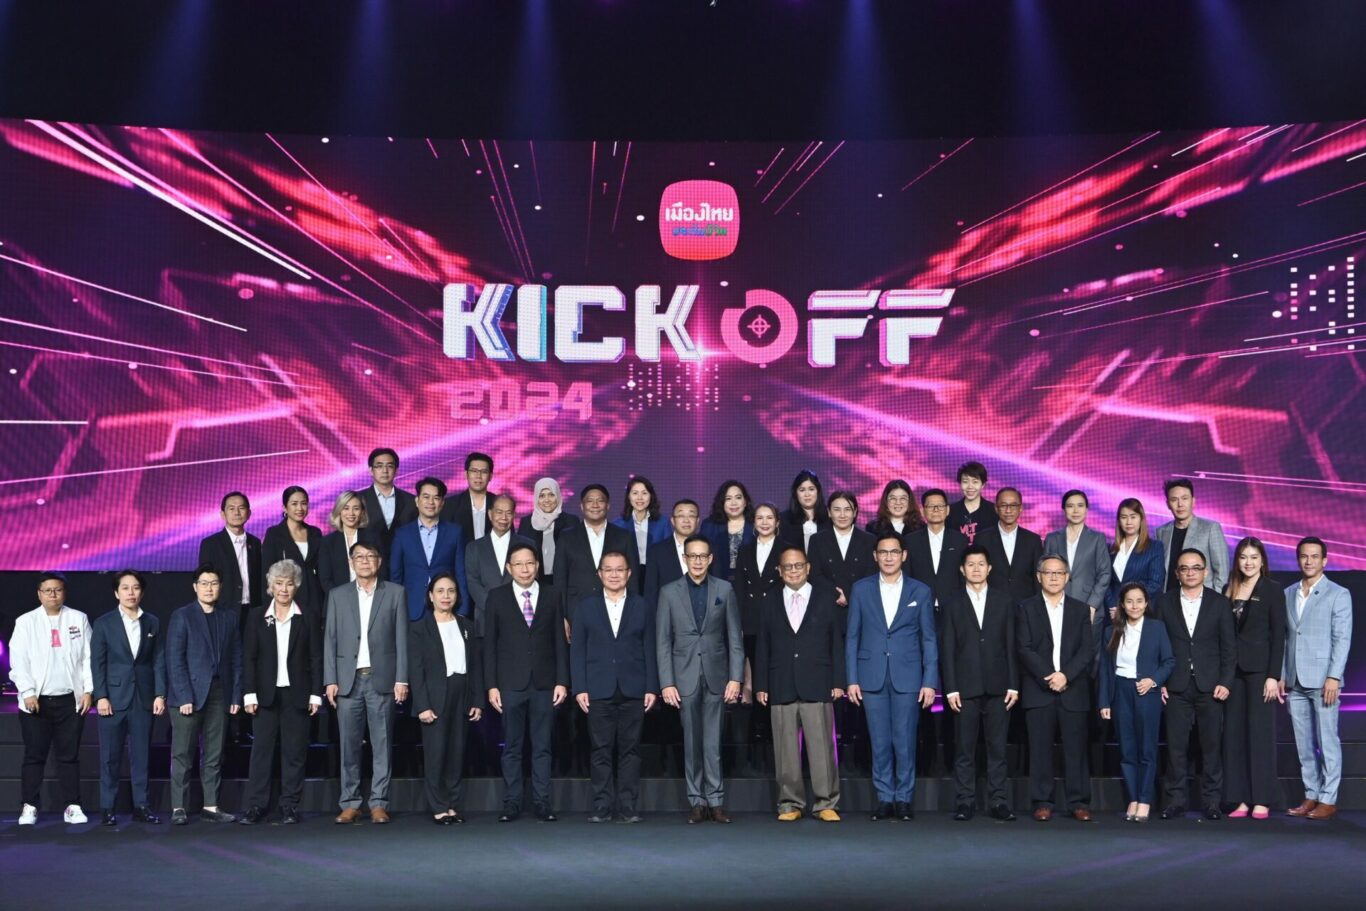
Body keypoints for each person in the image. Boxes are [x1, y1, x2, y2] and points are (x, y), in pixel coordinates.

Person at [845, 534, 938, 821]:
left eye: (894, 552)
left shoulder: (920, 591)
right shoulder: (861, 589)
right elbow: (852, 636)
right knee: (880, 741)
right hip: (870, 675)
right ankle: (885, 798)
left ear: (903, 555)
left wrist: (929, 681)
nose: (888, 557)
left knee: (905, 740)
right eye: (883, 552)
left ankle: (904, 799)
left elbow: (929, 639)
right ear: (875, 556)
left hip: (908, 676)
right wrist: (852, 678)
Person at [656, 534, 744, 823]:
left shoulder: (724, 589)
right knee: (692, 743)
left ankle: (715, 801)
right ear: (685, 558)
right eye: (692, 556)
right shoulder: (669, 592)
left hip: (717, 676)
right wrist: (667, 682)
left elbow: (735, 637)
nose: (697, 561)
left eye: (702, 556)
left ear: (710, 559)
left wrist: (736, 678)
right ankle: (696, 801)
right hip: (684, 678)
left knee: (713, 742)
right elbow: (663, 641)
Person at [754, 546, 845, 822]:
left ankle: (826, 802)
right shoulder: (769, 600)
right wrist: (761, 684)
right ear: (779, 571)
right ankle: (789, 803)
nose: (793, 571)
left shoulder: (825, 598)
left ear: (808, 568)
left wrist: (838, 681)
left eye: (798, 566)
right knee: (785, 750)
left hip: (818, 681)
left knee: (822, 747)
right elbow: (763, 644)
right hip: (780, 682)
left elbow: (836, 642)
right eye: (787, 567)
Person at [323, 540, 409, 824]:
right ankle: (350, 802)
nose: (364, 561)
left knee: (382, 744)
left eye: (370, 556)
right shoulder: (337, 595)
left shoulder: (395, 593)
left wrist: (402, 678)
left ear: (379, 562)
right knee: (349, 745)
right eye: (358, 556)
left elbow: (402, 638)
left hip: (381, 679)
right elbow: (330, 639)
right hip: (347, 680)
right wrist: (330, 679)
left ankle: (379, 802)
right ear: (351, 562)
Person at [570, 551, 658, 823]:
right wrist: (580, 688)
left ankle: (628, 807)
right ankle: (601, 806)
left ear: (629, 573)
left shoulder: (642, 605)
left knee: (630, 751)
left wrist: (651, 687)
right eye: (608, 570)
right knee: (600, 750)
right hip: (598, 689)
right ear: (600, 574)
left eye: (619, 569)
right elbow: (577, 650)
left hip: (634, 688)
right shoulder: (585, 606)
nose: (614, 575)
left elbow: (650, 647)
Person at [484, 542, 569, 822]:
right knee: (512, 747)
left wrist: (562, 681)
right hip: (510, 684)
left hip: (545, 683)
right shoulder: (496, 597)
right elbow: (490, 645)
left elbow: (559, 641)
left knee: (543, 746)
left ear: (538, 566)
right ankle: (512, 802)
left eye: (529, 563)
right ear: (509, 568)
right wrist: (492, 685)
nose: (525, 569)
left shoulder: (553, 595)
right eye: (518, 564)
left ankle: (542, 802)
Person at [239, 560, 323, 826]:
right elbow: (249, 658)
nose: (284, 589)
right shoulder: (256, 616)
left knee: (294, 753)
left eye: (289, 583)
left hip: (298, 694)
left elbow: (316, 657)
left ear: (296, 586)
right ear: (270, 586)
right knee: (261, 753)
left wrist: (316, 694)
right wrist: (249, 694)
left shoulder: (307, 616)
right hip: (265, 696)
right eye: (279, 583)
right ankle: (256, 806)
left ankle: (289, 806)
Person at [939, 546, 1018, 822]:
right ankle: (965, 801)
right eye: (971, 564)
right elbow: (947, 648)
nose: (976, 569)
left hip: (999, 686)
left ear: (989, 568)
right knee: (964, 749)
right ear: (962, 569)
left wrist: (1013, 684)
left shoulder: (1004, 601)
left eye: (981, 564)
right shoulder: (952, 603)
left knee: (997, 749)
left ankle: (999, 802)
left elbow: (1011, 645)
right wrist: (950, 687)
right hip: (964, 687)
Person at [1157, 548, 1236, 820]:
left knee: (1211, 748)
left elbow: (1229, 648)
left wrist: (1226, 681)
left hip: (1211, 686)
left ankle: (1212, 802)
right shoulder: (1164, 603)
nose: (1190, 573)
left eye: (1196, 567)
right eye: (1184, 568)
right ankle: (1175, 801)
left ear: (1205, 571)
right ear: (1177, 573)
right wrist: (1160, 680)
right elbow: (1157, 645)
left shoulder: (1219, 603)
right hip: (1175, 685)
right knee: (1175, 748)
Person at [10, 573, 93, 826]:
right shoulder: (26, 622)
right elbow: (18, 660)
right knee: (34, 756)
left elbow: (88, 657)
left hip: (70, 701)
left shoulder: (78, 618)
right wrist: (27, 691)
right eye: (47, 590)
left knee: (69, 756)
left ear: (64, 592)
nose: (53, 595)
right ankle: (29, 806)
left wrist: (88, 690)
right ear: (39, 594)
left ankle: (72, 806)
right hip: (36, 702)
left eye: (57, 590)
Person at [1017, 554, 1094, 822]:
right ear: (1039, 577)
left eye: (1059, 573)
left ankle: (1078, 802)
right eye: (1048, 573)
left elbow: (1087, 650)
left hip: (1073, 689)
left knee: (1076, 749)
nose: (1053, 577)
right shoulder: (1026, 608)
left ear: (1067, 577)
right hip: (1039, 689)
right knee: (1040, 750)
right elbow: (1024, 647)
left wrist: (1066, 676)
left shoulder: (1080, 609)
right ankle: (1042, 801)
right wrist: (1050, 676)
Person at [1282, 537, 1353, 821]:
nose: (1308, 561)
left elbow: (1342, 638)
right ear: (1298, 559)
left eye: (1314, 556)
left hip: (1324, 680)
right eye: (1304, 556)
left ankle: (1328, 798)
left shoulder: (1339, 594)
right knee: (1303, 743)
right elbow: (1285, 638)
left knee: (1327, 740)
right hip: (1295, 679)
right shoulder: (1288, 593)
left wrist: (1334, 676)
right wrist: (1282, 675)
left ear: (1324, 560)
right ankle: (1311, 794)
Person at [166, 565, 242, 825]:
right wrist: (184, 696)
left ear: (220, 587)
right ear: (195, 586)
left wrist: (235, 696)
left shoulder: (229, 617)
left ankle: (211, 805)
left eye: (214, 583)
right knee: (182, 754)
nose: (209, 588)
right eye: (204, 583)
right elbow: (174, 659)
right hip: (188, 695)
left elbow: (236, 658)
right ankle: (179, 807)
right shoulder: (182, 616)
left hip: (220, 693)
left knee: (214, 753)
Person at [91, 571, 166, 827]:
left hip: (143, 698)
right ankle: (107, 807)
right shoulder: (104, 623)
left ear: (142, 592)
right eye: (125, 588)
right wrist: (101, 696)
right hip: (112, 698)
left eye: (135, 588)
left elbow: (158, 661)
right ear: (116, 593)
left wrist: (160, 694)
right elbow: (97, 663)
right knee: (110, 756)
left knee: (141, 755)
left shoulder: (152, 622)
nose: (131, 593)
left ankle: (141, 806)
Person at [409, 573, 484, 825]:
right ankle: (438, 806)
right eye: (440, 591)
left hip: (462, 694)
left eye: (451, 591)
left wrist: (477, 700)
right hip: (434, 697)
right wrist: (422, 705)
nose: (446, 596)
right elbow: (416, 670)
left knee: (456, 752)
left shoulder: (467, 625)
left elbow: (476, 666)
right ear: (430, 596)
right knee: (436, 754)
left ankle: (452, 804)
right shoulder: (419, 628)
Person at [1098, 583, 1174, 823]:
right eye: (1129, 601)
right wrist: (1104, 702)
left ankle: (1145, 799)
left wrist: (1153, 680)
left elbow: (1169, 661)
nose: (1134, 606)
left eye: (1139, 601)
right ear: (1122, 604)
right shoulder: (1111, 631)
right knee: (1127, 749)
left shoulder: (1156, 628)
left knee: (1147, 749)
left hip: (1146, 692)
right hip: (1121, 691)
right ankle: (1133, 797)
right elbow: (1105, 670)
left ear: (1146, 603)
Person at [1222, 537, 1286, 819]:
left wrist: (1273, 675)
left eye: (1253, 557)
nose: (1248, 563)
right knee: (1234, 736)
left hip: (1260, 672)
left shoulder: (1272, 589)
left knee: (1260, 735)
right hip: (1232, 672)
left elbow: (1279, 635)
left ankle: (1262, 798)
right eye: (1243, 557)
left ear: (1262, 561)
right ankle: (1239, 799)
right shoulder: (1228, 588)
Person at [553, 483, 638, 629]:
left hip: (616, 611)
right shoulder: (567, 537)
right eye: (590, 501)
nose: (595, 505)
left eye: (600, 500)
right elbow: (560, 579)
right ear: (582, 506)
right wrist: (561, 616)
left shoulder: (624, 536)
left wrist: (632, 612)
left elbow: (633, 578)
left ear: (608, 506)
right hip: (576, 611)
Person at [390, 476, 468, 622]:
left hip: (446, 608)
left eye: (436, 498)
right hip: (412, 609)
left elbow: (461, 573)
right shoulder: (402, 534)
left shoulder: (455, 532)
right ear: (417, 501)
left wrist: (463, 610)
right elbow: (396, 576)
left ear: (442, 503)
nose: (431, 502)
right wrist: (395, 610)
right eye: (426, 497)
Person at [732, 503, 785, 701]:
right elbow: (739, 588)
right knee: (755, 671)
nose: (765, 522)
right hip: (751, 620)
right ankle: (757, 718)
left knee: (776, 673)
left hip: (778, 619)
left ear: (777, 522)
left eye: (769, 517)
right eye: (760, 518)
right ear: (753, 522)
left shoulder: (786, 548)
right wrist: (739, 622)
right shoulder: (745, 550)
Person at [1043, 490, 1112, 631]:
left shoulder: (1097, 538)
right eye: (1070, 506)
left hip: (1089, 606)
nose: (1075, 510)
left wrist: (1092, 605)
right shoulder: (1052, 538)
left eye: (1080, 505)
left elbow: (1104, 573)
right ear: (1064, 509)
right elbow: (1045, 572)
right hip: (1056, 606)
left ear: (1086, 509)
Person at [1103, 498, 1167, 647]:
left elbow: (1155, 583)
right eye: (1124, 517)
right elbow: (1105, 581)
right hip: (1113, 614)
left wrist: (1128, 605)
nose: (1128, 522)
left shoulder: (1154, 547)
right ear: (1119, 521)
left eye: (1133, 516)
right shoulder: (1111, 549)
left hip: (1142, 612)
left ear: (1141, 519)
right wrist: (1112, 605)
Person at [466, 494, 533, 636]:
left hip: (520, 619)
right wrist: (494, 608)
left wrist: (512, 610)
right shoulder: (474, 547)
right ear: (490, 514)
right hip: (485, 620)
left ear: (514, 515)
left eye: (508, 513)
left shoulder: (528, 544)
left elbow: (532, 580)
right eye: (499, 512)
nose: (504, 517)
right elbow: (472, 582)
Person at [807, 491, 877, 618]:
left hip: (860, 608)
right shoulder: (817, 540)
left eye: (847, 509)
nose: (842, 515)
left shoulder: (869, 540)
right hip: (827, 608)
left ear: (855, 512)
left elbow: (871, 574)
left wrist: (849, 595)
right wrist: (836, 594)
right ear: (829, 512)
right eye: (837, 510)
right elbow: (814, 575)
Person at [1154, 478, 1229, 593]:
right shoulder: (1161, 532)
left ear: (1193, 501)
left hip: (1202, 598)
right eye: (1174, 500)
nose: (1180, 504)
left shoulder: (1210, 528)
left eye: (1185, 498)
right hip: (1169, 598)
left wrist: (1214, 599)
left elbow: (1222, 571)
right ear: (1168, 504)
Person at [198, 491, 262, 624]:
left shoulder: (255, 543)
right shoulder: (211, 543)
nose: (237, 513)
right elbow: (205, 579)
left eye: (241, 508)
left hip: (253, 611)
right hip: (223, 611)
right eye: (231, 508)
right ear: (223, 514)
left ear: (249, 513)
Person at [261, 486, 325, 617]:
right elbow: (267, 572)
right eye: (294, 504)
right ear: (285, 508)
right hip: (287, 599)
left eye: (303, 503)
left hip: (314, 599)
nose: (300, 508)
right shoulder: (274, 533)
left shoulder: (315, 533)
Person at [904, 488, 969, 610]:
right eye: (930, 506)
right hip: (920, 605)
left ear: (947, 510)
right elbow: (907, 575)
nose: (936, 510)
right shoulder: (911, 540)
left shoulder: (960, 540)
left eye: (940, 506)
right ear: (923, 511)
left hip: (953, 605)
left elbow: (963, 576)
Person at [976, 488, 1043, 605]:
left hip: (1025, 606)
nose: (1008, 510)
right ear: (996, 508)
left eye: (1013, 505)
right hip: (991, 605)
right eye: (1003, 505)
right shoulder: (982, 539)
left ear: (1021, 508)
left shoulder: (1033, 540)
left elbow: (1038, 578)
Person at [610, 476, 671, 594]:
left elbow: (667, 552)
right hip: (628, 577)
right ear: (628, 497)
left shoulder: (662, 523)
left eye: (644, 493)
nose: (639, 498)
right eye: (635, 493)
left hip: (655, 576)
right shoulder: (617, 524)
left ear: (651, 496)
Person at [518, 477, 582, 585]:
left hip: (565, 581)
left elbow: (577, 554)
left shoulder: (571, 521)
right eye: (542, 496)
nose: (547, 500)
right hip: (534, 581)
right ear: (536, 498)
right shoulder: (526, 522)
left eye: (551, 495)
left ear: (558, 496)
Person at [358, 447, 417, 560]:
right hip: (368, 562)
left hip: (404, 562)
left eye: (389, 466)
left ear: (396, 470)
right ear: (371, 470)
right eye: (379, 466)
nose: (385, 470)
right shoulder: (358, 500)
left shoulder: (411, 501)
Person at [319, 490, 378, 600]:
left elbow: (381, 572)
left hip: (369, 598)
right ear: (339, 511)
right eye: (346, 508)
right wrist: (343, 599)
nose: (351, 513)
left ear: (362, 512)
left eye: (356, 508)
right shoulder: (327, 542)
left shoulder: (373, 538)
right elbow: (325, 579)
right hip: (338, 601)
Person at [643, 499, 703, 606]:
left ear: (698, 520)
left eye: (691, 515)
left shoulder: (711, 549)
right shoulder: (657, 551)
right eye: (681, 516)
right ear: (672, 520)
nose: (686, 520)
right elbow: (650, 593)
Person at [700, 480, 756, 582]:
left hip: (751, 583)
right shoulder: (709, 526)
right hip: (717, 582)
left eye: (738, 497)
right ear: (722, 503)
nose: (733, 503)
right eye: (728, 498)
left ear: (745, 502)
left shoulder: (756, 524)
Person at [441, 451, 496, 544]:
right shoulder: (450, 505)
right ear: (466, 474)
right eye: (474, 471)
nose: (478, 476)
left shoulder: (500, 504)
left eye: (484, 472)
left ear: (490, 476)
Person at [779, 469, 830, 550]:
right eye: (802, 490)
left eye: (811, 489)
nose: (807, 494)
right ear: (795, 493)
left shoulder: (829, 518)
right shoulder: (784, 519)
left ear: (818, 491)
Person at [947, 461, 996, 544]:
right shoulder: (950, 511)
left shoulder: (993, 511)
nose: (970, 486)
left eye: (975, 482)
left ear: (983, 484)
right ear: (960, 483)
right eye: (965, 481)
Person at [865, 479, 924, 543]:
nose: (898, 503)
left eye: (903, 498)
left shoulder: (921, 527)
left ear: (909, 501)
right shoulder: (873, 527)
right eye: (893, 498)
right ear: (886, 501)